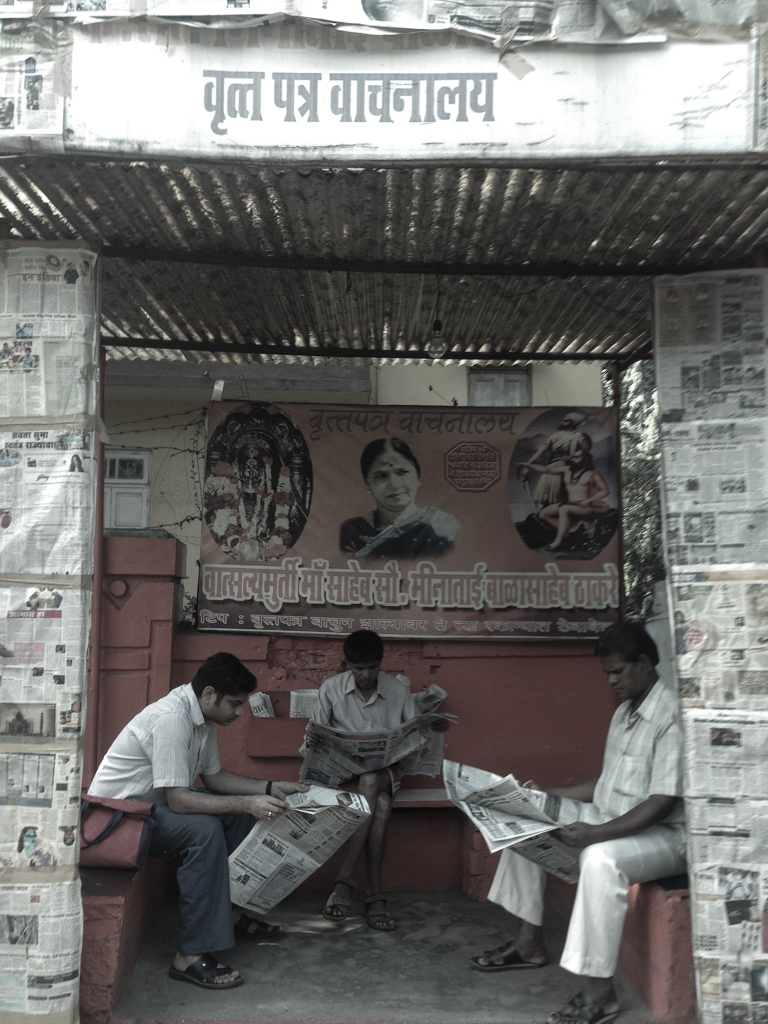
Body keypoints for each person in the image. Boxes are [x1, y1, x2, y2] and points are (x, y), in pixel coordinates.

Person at [469, 623, 685, 1024]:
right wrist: (547, 795)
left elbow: (661, 801)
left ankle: (600, 993)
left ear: (644, 663)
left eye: (618, 672)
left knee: (600, 860)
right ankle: (528, 943)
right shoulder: (624, 712)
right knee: (528, 816)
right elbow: (606, 782)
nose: (612, 681)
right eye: (607, 673)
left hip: (663, 836)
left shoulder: (671, 714)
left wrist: (595, 834)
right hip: (609, 818)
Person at [88, 652, 308, 991]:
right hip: (118, 821)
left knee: (237, 819)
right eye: (234, 704)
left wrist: (268, 788)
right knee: (204, 830)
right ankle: (189, 956)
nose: (238, 713)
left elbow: (215, 778)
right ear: (208, 694)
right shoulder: (172, 718)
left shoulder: (203, 719)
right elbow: (179, 800)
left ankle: (228, 914)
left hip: (151, 810)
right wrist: (247, 802)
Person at [305, 629, 450, 930]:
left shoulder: (396, 691)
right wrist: (314, 740)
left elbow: (413, 742)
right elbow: (314, 744)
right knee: (380, 807)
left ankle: (345, 880)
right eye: (359, 669)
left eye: (372, 667)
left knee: (372, 781)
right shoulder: (330, 690)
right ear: (347, 665)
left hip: (385, 775)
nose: (366, 674)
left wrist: (424, 731)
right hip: (345, 777)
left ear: (380, 663)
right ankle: (374, 893)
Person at [339, 438, 460, 559]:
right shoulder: (353, 531)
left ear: (417, 477)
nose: (395, 484)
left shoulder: (442, 526)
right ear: (368, 484)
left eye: (402, 472)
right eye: (381, 476)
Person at [517, 448, 611, 551]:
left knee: (564, 509)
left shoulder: (593, 474)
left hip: (587, 506)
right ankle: (568, 533)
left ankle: (557, 542)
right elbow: (546, 470)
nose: (573, 459)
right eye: (573, 456)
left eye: (577, 457)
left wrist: (587, 501)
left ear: (585, 460)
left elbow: (605, 491)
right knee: (543, 513)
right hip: (571, 504)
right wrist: (529, 465)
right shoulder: (566, 470)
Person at [521, 412, 591, 507]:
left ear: (573, 423)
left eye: (566, 421)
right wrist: (529, 465)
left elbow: (586, 457)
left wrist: (571, 459)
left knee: (568, 499)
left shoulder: (581, 438)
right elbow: (541, 452)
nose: (562, 422)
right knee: (547, 499)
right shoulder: (554, 436)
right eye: (563, 420)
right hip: (552, 469)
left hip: (570, 470)